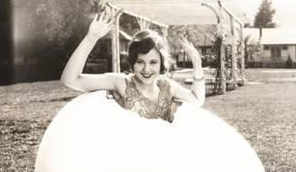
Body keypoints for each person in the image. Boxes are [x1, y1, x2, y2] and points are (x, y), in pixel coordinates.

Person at [60, 10, 205, 122]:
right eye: (140, 62)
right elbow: (70, 80)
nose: (146, 69)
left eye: (153, 62)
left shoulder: (166, 86)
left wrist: (197, 66)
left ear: (161, 63)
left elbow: (197, 100)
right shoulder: (120, 83)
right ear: (132, 62)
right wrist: (91, 38)